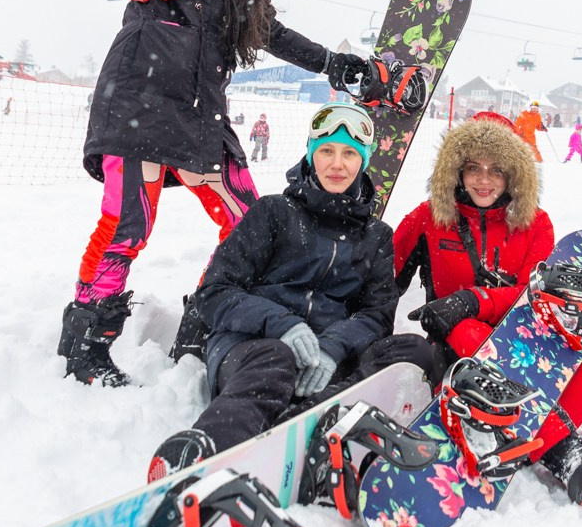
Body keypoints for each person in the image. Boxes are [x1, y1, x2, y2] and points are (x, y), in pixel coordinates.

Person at [57, 0, 370, 386]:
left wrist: (336, 65)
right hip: (142, 89)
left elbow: (264, 29)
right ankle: (87, 341)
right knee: (128, 224)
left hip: (201, 101)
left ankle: (205, 317)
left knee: (250, 220)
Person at [148, 103, 434, 477]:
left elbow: (377, 316)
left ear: (362, 162)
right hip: (252, 349)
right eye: (327, 151)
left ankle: (310, 424)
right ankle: (206, 460)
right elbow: (216, 291)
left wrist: (333, 347)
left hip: (325, 360)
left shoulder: (376, 237)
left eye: (349, 154)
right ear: (311, 154)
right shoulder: (273, 212)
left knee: (415, 351)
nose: (337, 164)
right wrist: (282, 323)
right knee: (276, 358)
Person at [393, 117, 582, 504]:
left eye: (497, 169)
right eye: (473, 167)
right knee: (468, 330)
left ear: (514, 175)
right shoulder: (429, 217)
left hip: (534, 352)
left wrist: (475, 299)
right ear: (456, 170)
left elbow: (534, 295)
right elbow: (380, 280)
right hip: (463, 356)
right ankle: (561, 450)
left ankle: (509, 433)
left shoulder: (536, 224)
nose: (483, 180)